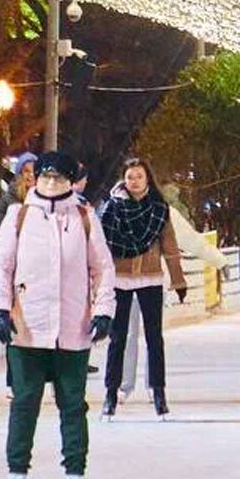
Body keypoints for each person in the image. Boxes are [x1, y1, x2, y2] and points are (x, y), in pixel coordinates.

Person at [0, 150, 113, 479]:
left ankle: (75, 472)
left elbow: (102, 268)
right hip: (27, 326)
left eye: (59, 178)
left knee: (72, 404)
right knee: (24, 402)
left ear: (70, 181)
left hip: (72, 327)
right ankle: (17, 472)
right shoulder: (19, 217)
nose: (51, 183)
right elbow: (1, 266)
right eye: (45, 176)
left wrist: (103, 310)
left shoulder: (86, 217)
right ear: (35, 179)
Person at [98, 157, 186, 419]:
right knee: (118, 338)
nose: (134, 181)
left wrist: (178, 280)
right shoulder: (112, 209)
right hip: (120, 277)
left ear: (148, 178)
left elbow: (169, 247)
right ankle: (110, 394)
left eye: (139, 176)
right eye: (130, 177)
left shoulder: (159, 210)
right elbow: (102, 248)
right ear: (123, 180)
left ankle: (158, 392)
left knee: (154, 338)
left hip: (150, 278)